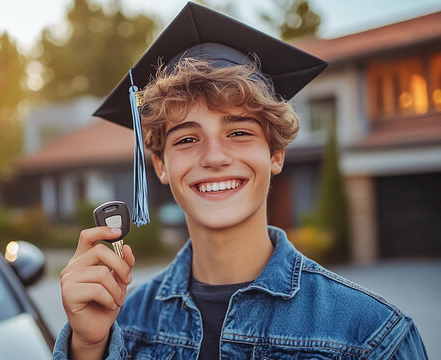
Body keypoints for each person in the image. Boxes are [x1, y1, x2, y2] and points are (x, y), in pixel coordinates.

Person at [53, 2, 428, 359]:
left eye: (240, 133)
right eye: (186, 139)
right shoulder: (123, 323)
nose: (214, 157)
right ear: (160, 165)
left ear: (276, 154)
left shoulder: (371, 337)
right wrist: (88, 348)